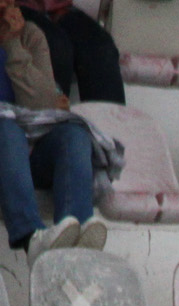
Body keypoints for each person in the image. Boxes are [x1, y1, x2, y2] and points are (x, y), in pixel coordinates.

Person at [0, 0, 103, 261]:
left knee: (74, 134)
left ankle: (73, 235)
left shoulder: (30, 35)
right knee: (6, 127)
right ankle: (31, 237)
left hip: (26, 152)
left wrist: (13, 44)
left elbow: (44, 104)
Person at [18, 0, 120, 103]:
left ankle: (107, 117)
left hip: (59, 6)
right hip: (14, 7)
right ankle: (54, 116)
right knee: (55, 46)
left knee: (101, 47)